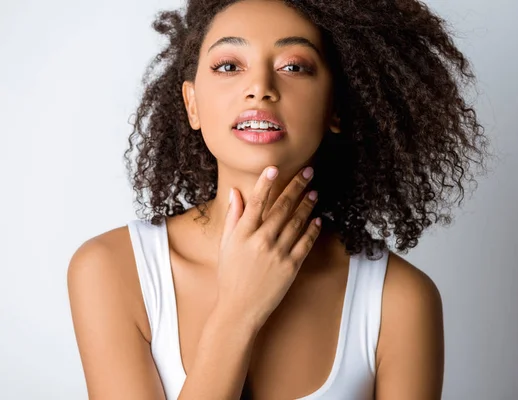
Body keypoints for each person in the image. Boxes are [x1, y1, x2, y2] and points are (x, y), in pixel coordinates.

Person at [67, 0, 489, 398]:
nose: (260, 88)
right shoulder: (113, 269)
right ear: (191, 105)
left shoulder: (399, 300)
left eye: (294, 66)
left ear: (336, 108)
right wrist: (238, 310)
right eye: (229, 65)